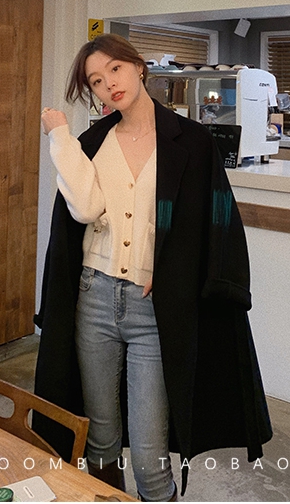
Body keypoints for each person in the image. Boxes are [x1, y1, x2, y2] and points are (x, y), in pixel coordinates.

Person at [33, 34, 272, 501]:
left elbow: (214, 221)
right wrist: (59, 136)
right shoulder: (92, 142)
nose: (109, 84)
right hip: (94, 299)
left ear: (138, 66)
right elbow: (84, 210)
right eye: (96, 81)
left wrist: (176, 269)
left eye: (115, 70)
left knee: (149, 454)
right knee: (100, 438)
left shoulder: (192, 142)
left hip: (153, 310)